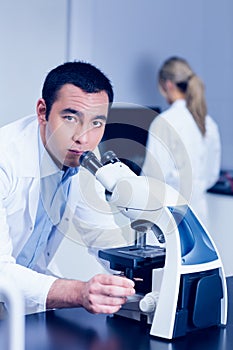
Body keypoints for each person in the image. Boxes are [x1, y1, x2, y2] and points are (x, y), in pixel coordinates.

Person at [0, 61, 135, 315]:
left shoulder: (82, 155)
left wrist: (136, 280)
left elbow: (102, 235)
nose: (83, 138)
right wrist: (79, 292)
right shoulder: (6, 160)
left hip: (23, 304)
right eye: (70, 118)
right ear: (43, 111)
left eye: (96, 123)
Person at [141, 56, 221, 224]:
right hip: (199, 214)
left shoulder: (165, 122)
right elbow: (211, 175)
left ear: (168, 85)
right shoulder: (208, 123)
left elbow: (152, 177)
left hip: (169, 213)